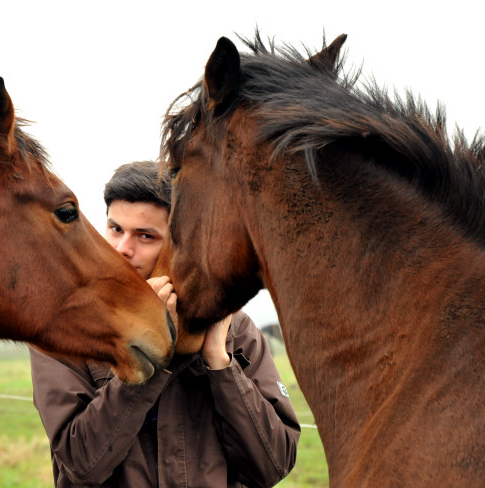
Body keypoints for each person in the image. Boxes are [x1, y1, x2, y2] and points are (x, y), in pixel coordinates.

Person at [30, 160, 300, 487]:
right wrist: (151, 346)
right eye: (115, 229)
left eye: (145, 236)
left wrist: (220, 361)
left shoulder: (236, 331)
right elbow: (82, 465)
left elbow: (273, 466)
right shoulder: (62, 329)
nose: (121, 249)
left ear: (181, 245)